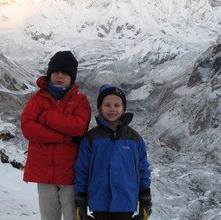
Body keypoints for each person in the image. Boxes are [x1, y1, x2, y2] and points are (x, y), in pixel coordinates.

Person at [21, 51, 91, 220]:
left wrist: (48, 117)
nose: (60, 75)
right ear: (50, 74)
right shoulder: (37, 98)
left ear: (72, 77)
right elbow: (28, 128)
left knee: (73, 217)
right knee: (48, 217)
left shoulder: (81, 101)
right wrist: (64, 138)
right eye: (56, 71)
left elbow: (79, 127)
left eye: (65, 72)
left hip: (71, 173)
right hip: (43, 173)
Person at [74, 84, 152, 220]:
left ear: (123, 108)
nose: (112, 109)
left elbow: (143, 169)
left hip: (125, 202)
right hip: (99, 202)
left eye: (117, 105)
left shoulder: (134, 139)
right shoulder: (91, 138)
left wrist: (145, 199)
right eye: (107, 105)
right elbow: (82, 170)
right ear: (100, 108)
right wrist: (80, 199)